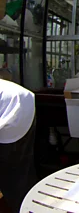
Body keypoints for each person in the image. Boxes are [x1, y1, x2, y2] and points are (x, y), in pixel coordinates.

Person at [0, 79, 37, 213]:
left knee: (10, 171)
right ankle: (30, 204)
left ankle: (21, 206)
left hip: (12, 108)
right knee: (23, 166)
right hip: (26, 102)